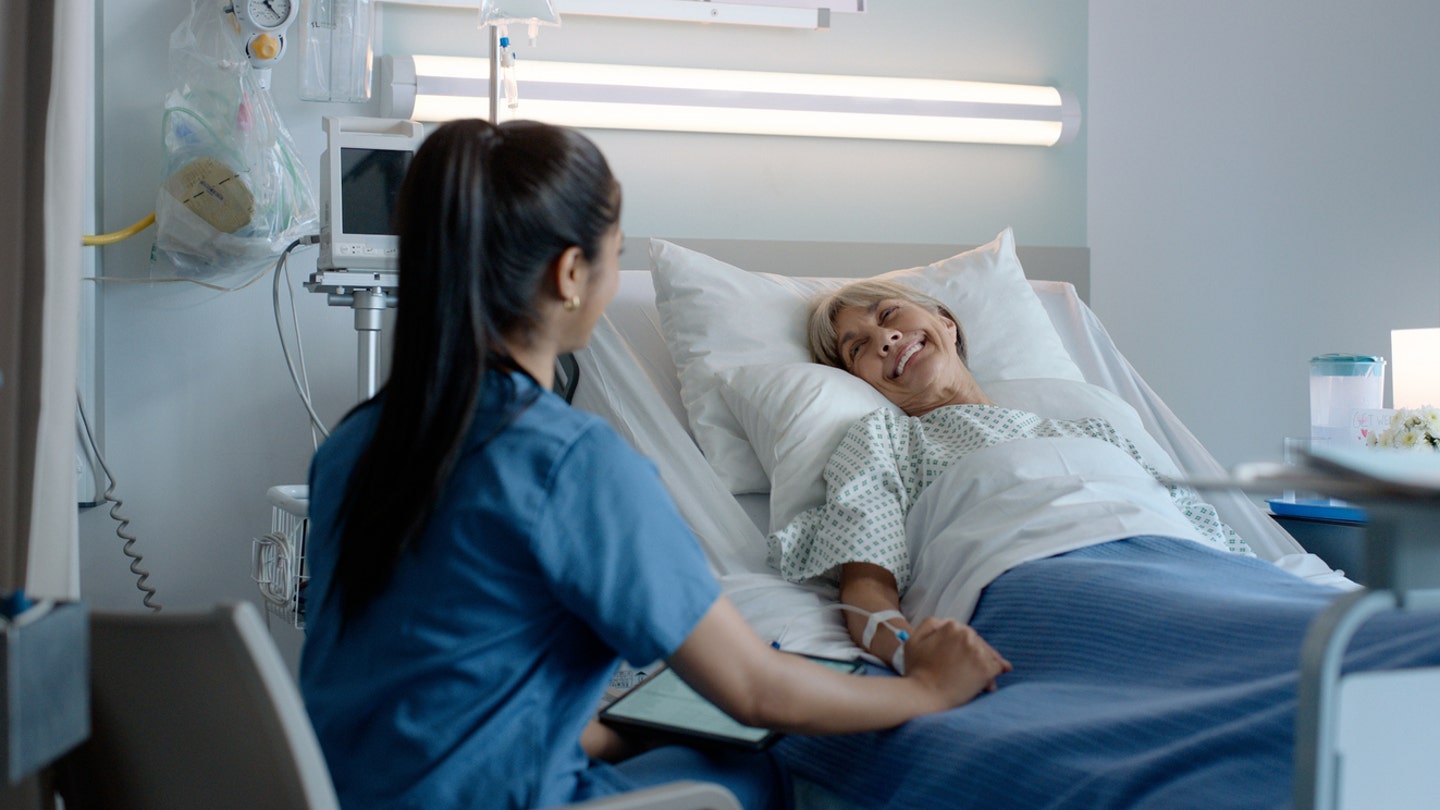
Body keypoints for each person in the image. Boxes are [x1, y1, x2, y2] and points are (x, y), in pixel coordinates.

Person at [297, 120, 1011, 810]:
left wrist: (609, 733)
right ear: (571, 273)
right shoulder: (570, 462)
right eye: (617, 250)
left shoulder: (353, 445)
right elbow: (753, 690)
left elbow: (432, 667)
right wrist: (928, 690)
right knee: (754, 770)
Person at [760, 279, 1440, 808]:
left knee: (1358, 629)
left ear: (945, 321)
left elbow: (1212, 539)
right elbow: (866, 588)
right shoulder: (884, 440)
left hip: (1194, 574)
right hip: (1051, 590)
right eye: (855, 348)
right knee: (1348, 659)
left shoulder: (1092, 430)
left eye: (886, 316)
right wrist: (913, 656)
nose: (880, 340)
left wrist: (1281, 579)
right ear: (858, 382)